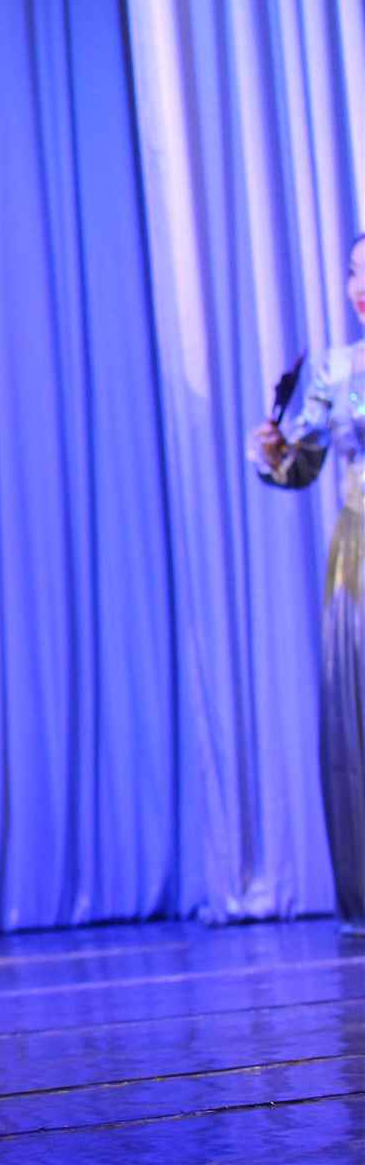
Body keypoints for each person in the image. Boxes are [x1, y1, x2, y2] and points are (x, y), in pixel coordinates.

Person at [249, 231, 365, 938]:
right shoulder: (335, 369)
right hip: (359, 551)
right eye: (354, 272)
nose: (360, 287)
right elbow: (302, 465)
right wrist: (275, 452)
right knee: (358, 722)